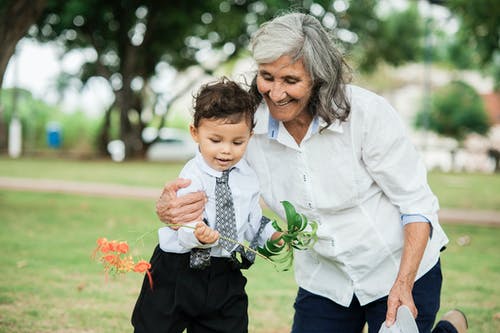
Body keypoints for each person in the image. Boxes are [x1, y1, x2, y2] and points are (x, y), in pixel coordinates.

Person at [155, 12, 467, 333]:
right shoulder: (246, 128)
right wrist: (169, 207)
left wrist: (404, 283)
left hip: (395, 267)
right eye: (266, 76)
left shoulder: (366, 114)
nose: (276, 93)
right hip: (325, 280)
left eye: (291, 80)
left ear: (320, 78)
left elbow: (416, 205)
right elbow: (206, 172)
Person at [132, 77, 281, 333]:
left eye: (237, 142)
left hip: (224, 272)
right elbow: (184, 221)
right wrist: (198, 234)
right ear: (195, 133)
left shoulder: (248, 176)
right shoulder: (192, 175)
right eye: (216, 140)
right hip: (176, 271)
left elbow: (252, 219)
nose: (226, 151)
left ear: (249, 137)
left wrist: (271, 235)